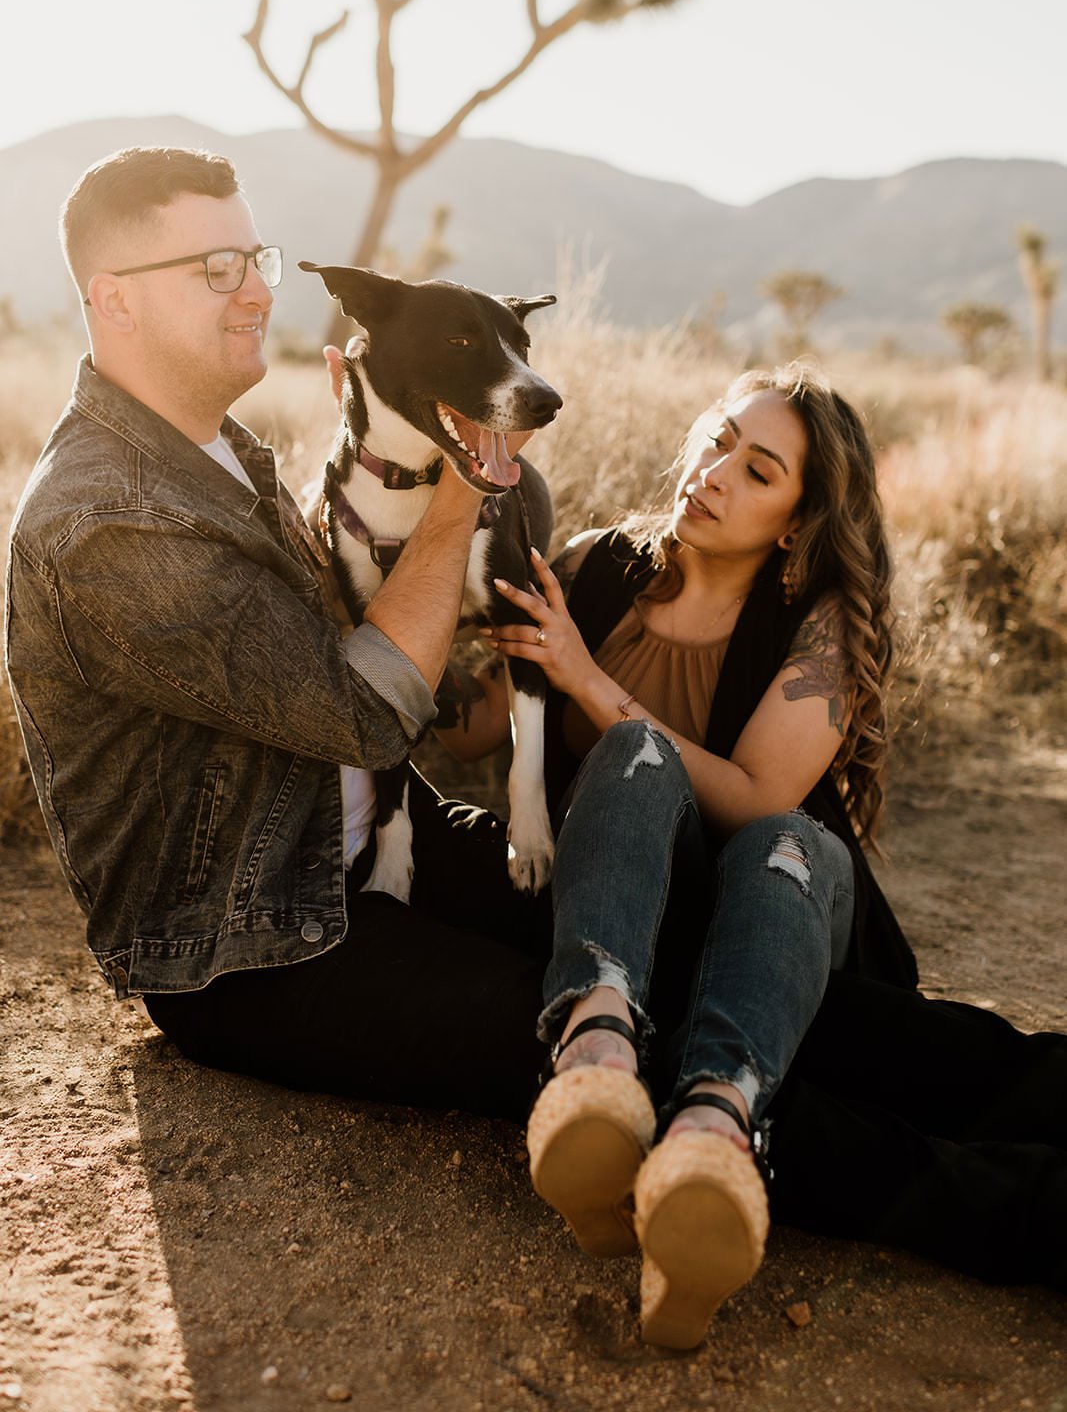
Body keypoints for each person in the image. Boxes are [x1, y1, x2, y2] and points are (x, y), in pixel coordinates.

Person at [438, 363, 1067, 1345]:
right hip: (631, 908)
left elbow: (752, 797)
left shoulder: (823, 627)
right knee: (634, 763)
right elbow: (472, 723)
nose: (716, 468)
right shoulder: (598, 569)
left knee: (760, 823)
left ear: (793, 520)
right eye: (719, 435)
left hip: (781, 910)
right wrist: (406, 575)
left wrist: (584, 678)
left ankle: (706, 1136)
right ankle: (609, 1069)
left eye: (758, 466)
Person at [4, 144, 553, 1121]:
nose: (258, 292)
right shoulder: (106, 522)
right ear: (116, 300)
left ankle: (922, 1056)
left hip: (367, 836)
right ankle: (905, 1181)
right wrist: (464, 479)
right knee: (593, 1023)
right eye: (216, 270)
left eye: (256, 258)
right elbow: (365, 714)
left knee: (665, 924)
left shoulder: (226, 453)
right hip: (253, 938)